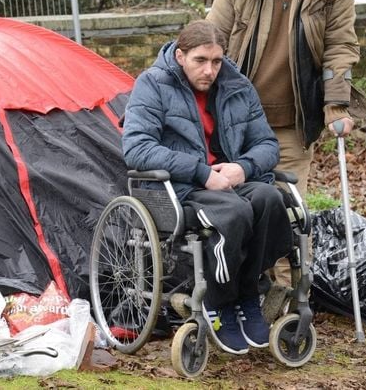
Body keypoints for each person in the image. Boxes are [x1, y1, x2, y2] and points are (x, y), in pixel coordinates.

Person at [206, 0, 361, 286]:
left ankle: (284, 296)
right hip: (235, 123)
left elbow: (340, 47)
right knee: (238, 206)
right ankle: (239, 289)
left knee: (290, 211)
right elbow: (208, 44)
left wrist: (336, 105)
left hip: (293, 122)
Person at [122, 19, 292, 355]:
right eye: (201, 60)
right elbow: (137, 147)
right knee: (234, 212)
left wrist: (242, 168)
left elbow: (267, 145)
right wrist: (201, 172)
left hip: (229, 181)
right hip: (181, 188)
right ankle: (221, 301)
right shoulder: (153, 84)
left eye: (217, 61)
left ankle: (246, 295)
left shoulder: (238, 86)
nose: (210, 70)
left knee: (271, 199)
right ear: (181, 55)